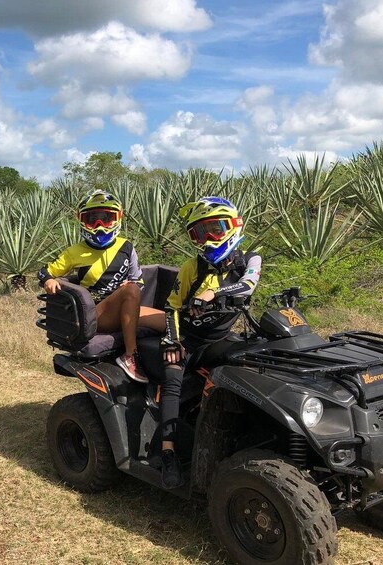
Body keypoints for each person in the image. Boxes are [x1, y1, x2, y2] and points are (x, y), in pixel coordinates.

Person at [156, 196, 262, 489]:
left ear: (234, 226)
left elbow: (248, 284)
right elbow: (171, 307)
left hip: (223, 339)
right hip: (190, 338)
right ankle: (168, 454)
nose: (209, 239)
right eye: (200, 233)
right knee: (172, 381)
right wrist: (172, 341)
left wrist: (213, 294)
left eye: (216, 229)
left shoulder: (250, 259)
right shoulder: (192, 267)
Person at [37, 190, 162, 382]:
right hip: (97, 314)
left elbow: (138, 281)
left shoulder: (126, 247)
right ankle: (130, 356)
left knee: (168, 321)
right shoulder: (75, 252)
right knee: (130, 290)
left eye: (106, 218)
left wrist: (131, 285)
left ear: (117, 219)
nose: (99, 225)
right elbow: (44, 271)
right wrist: (49, 280)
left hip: (125, 307)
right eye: (92, 219)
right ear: (81, 221)